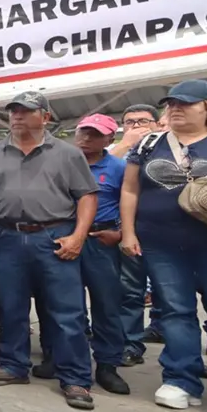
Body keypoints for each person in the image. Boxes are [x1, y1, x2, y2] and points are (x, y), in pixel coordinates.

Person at [0, 91, 99, 410]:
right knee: (11, 307)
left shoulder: (67, 154)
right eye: (13, 110)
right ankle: (13, 366)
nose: (17, 116)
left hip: (54, 236)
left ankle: (76, 379)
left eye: (26, 111)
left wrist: (78, 236)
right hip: (7, 236)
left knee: (67, 312)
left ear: (45, 117)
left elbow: (87, 197)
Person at [121, 79, 207, 410]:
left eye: (186, 103)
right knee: (176, 313)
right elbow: (130, 190)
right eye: (171, 103)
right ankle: (180, 379)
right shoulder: (150, 143)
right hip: (160, 245)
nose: (175, 108)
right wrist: (129, 233)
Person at [65, 114, 131, 395]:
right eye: (83, 132)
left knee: (106, 304)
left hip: (101, 240)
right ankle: (65, 359)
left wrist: (121, 234)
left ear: (109, 139)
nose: (86, 138)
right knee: (67, 305)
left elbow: (131, 204)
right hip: (66, 238)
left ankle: (107, 364)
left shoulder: (119, 167)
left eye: (94, 134)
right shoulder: (63, 163)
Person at [110, 104, 162, 360]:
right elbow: (95, 173)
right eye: (130, 122)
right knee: (130, 291)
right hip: (128, 230)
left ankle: (181, 352)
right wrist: (125, 144)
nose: (136, 126)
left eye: (143, 121)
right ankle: (130, 345)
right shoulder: (114, 151)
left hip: (167, 231)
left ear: (156, 124)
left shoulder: (170, 146)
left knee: (174, 296)